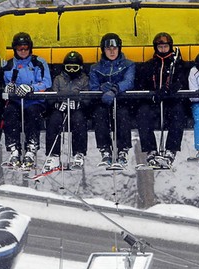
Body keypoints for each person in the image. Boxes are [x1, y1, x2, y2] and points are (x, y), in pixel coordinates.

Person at [135, 32, 187, 169]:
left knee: (178, 113)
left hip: (171, 102)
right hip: (154, 103)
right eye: (160, 47)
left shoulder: (177, 65)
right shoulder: (149, 66)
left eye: (165, 47)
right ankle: (151, 150)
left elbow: (182, 81)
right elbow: (141, 84)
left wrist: (172, 89)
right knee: (143, 113)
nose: (163, 50)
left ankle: (171, 150)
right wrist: (152, 94)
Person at [1, 32, 51, 169]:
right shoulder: (9, 65)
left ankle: (31, 147)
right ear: (15, 49)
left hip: (35, 101)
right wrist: (9, 88)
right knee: (10, 112)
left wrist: (30, 88)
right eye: (20, 48)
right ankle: (13, 148)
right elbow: (3, 85)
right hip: (16, 101)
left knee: (32, 113)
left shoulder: (39, 63)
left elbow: (46, 82)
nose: (23, 51)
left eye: (26, 48)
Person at [90, 33, 136, 168]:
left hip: (121, 101)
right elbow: (92, 86)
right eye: (108, 49)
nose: (112, 52)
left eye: (114, 48)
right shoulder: (96, 68)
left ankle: (123, 150)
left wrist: (115, 89)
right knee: (100, 115)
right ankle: (105, 150)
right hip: (103, 102)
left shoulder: (128, 65)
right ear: (103, 50)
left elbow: (129, 81)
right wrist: (101, 88)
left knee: (122, 115)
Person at [43, 51, 90, 170]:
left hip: (76, 109)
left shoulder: (84, 79)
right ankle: (53, 154)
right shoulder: (59, 79)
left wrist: (80, 103)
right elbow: (52, 94)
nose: (72, 71)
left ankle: (78, 153)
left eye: (75, 68)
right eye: (69, 68)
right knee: (54, 119)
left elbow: (88, 96)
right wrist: (56, 103)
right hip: (61, 107)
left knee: (79, 119)